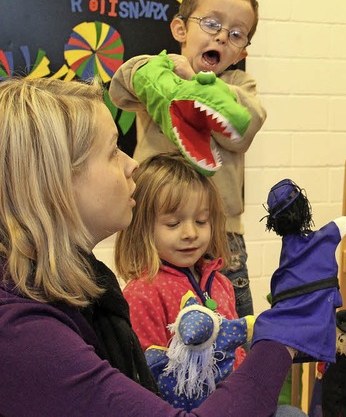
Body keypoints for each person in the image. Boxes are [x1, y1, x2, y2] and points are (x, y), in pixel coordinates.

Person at [0, 76, 306, 417]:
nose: (132, 164)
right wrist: (283, 334)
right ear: (54, 180)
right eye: (112, 151)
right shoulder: (23, 333)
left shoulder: (78, 290)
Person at [110, 0, 267, 319]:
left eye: (236, 34)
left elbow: (245, 124)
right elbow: (120, 88)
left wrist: (198, 86)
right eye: (211, 24)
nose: (222, 36)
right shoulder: (162, 73)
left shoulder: (239, 84)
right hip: (156, 229)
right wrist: (155, 72)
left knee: (232, 324)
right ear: (181, 29)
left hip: (220, 234)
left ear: (242, 51)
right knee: (155, 317)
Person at [114, 152, 247, 373]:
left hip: (234, 400)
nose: (190, 233)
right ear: (142, 227)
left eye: (201, 221)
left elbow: (237, 352)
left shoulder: (221, 284)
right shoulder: (142, 294)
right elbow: (148, 371)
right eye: (173, 223)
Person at [253, 179, 346, 363]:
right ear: (303, 207)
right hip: (319, 325)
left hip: (280, 327)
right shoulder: (332, 231)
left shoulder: (286, 255)